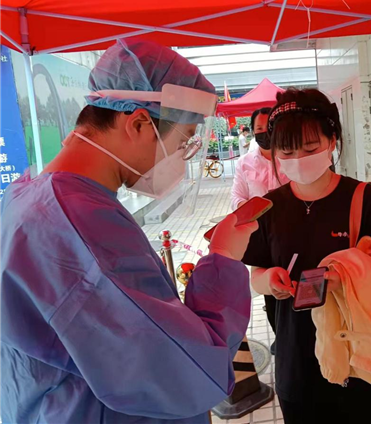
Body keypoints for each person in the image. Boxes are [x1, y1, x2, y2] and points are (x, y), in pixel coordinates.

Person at [0, 39, 257, 424]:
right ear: (138, 124)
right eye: (182, 141)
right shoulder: (80, 223)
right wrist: (222, 259)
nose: (181, 156)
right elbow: (184, 370)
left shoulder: (31, 196)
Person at [243, 88, 371, 424]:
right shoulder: (269, 206)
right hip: (295, 359)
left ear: (332, 140)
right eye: (287, 151)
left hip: (356, 356)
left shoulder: (364, 198)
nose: (299, 159)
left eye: (310, 148)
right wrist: (268, 280)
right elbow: (255, 275)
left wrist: (346, 278)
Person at [230, 107, 289, 354]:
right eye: (259, 129)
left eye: (268, 128)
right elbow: (236, 197)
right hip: (261, 235)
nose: (264, 133)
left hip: (291, 230)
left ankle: (297, 333)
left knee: (294, 280)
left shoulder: (290, 158)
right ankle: (280, 336)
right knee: (269, 288)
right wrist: (252, 207)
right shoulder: (244, 163)